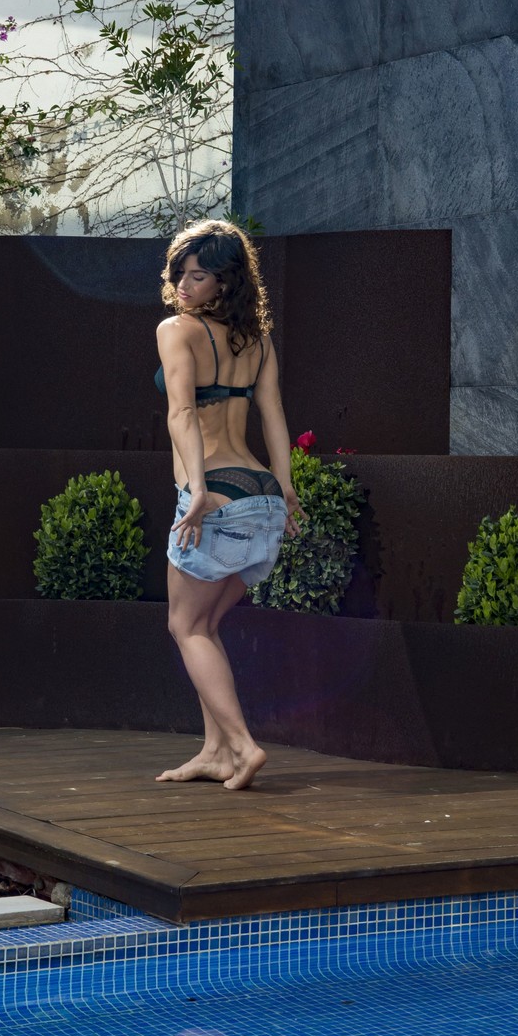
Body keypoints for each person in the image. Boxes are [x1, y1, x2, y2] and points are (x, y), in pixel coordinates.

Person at [154, 219, 302, 790]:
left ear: (225, 281)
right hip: (261, 496)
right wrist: (285, 489)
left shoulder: (177, 330)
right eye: (180, 273)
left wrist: (195, 490)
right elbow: (274, 415)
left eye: (199, 276)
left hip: (215, 493)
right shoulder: (256, 341)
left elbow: (182, 412)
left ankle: (242, 746)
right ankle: (215, 752)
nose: (184, 285)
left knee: (184, 625)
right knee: (207, 625)